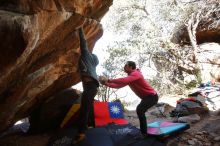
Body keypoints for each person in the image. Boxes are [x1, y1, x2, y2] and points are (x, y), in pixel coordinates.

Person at [99, 61, 158, 137]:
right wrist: (106, 84)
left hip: (152, 96)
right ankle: (143, 132)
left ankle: (144, 133)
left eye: (126, 66)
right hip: (146, 98)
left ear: (131, 67)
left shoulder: (136, 74)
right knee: (140, 111)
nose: (124, 67)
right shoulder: (131, 77)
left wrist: (109, 80)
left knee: (140, 110)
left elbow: (123, 80)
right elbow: (118, 85)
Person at [73, 27, 99, 144]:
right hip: (92, 87)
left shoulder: (87, 57)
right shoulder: (92, 64)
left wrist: (80, 29)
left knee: (84, 109)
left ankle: (81, 133)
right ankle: (90, 125)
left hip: (90, 87)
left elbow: (83, 42)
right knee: (88, 107)